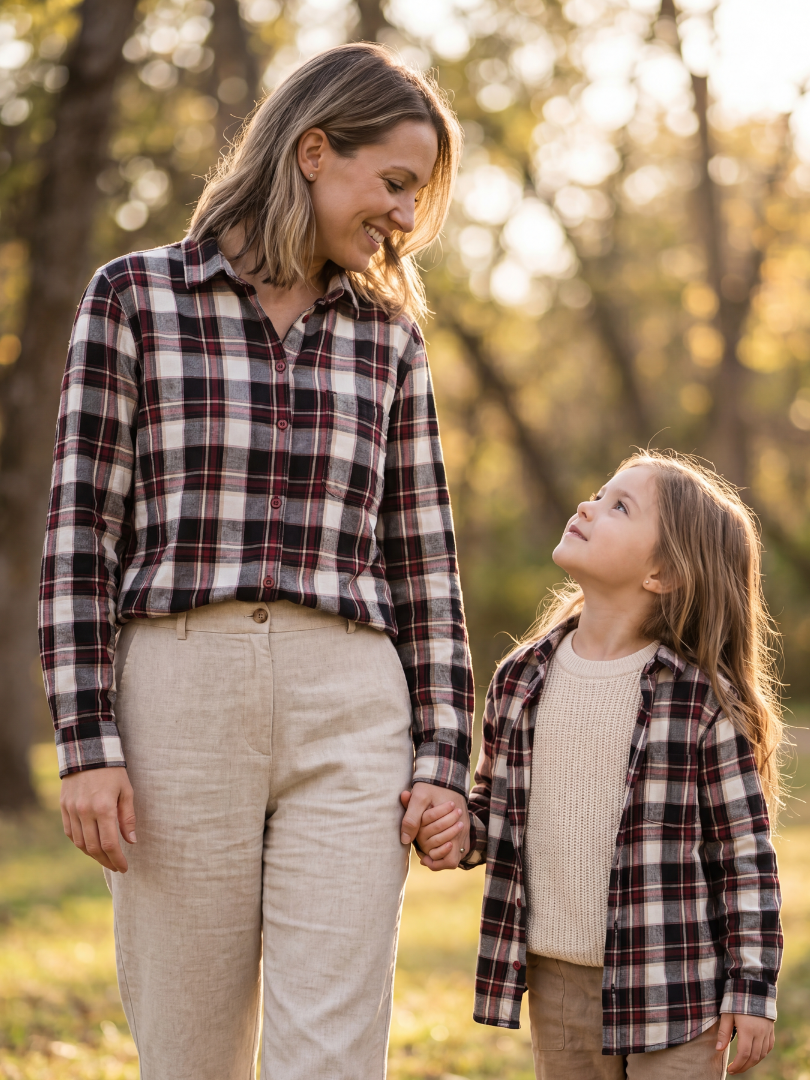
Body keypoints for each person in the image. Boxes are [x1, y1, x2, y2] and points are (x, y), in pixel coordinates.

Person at [38, 43, 473, 1080]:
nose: (405, 215)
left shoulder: (390, 339)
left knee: (333, 1056)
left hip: (352, 705)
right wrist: (87, 742)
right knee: (190, 1053)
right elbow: (80, 534)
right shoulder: (134, 298)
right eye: (395, 183)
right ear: (314, 151)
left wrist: (443, 759)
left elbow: (424, 563)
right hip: (178, 700)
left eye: (417, 195)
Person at [413, 450, 783, 1078]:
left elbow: (744, 856)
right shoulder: (520, 680)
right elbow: (497, 811)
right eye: (598, 493)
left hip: (674, 986)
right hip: (558, 981)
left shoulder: (700, 702)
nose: (587, 506)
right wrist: (461, 833)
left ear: (662, 573)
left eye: (619, 507)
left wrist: (752, 988)